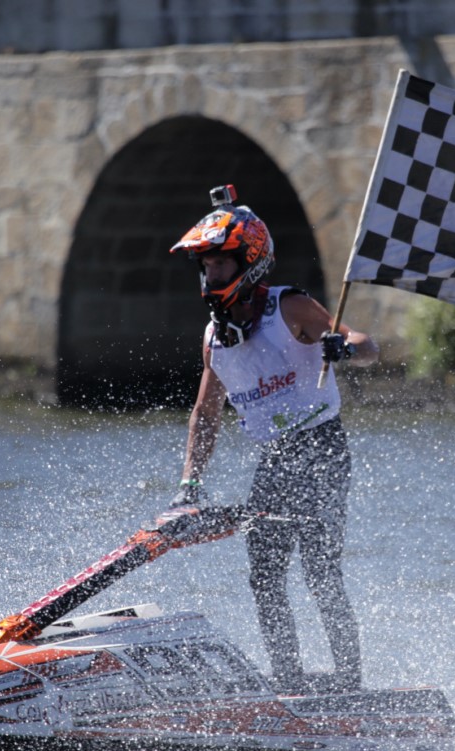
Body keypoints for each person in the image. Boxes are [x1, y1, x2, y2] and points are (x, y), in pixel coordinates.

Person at [168, 184, 378, 693]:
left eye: (220, 264)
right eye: (206, 265)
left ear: (250, 261)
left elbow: (366, 345)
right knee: (264, 577)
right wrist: (189, 485)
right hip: (277, 459)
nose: (210, 273)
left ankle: (350, 686)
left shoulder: (291, 307)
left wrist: (343, 349)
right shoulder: (215, 337)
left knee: (320, 572)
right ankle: (289, 684)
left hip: (323, 449)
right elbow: (205, 413)